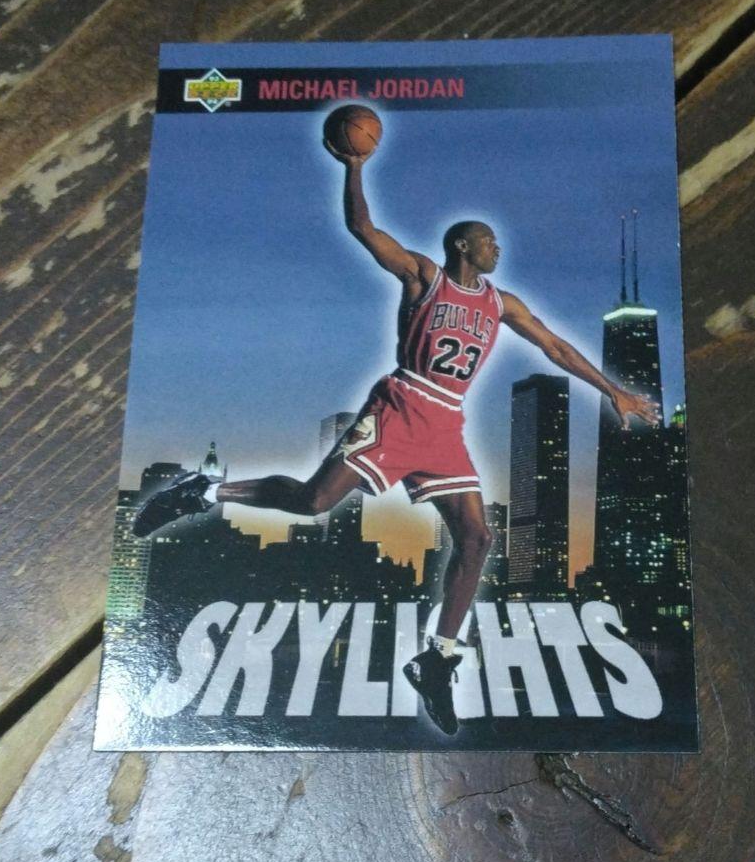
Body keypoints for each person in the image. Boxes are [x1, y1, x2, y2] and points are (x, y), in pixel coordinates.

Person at [133, 138, 659, 735]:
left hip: (446, 423)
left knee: (477, 537)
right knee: (314, 501)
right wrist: (355, 167)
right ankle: (204, 491)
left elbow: (556, 347)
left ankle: (437, 659)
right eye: (489, 241)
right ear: (463, 246)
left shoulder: (502, 302)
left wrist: (611, 390)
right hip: (402, 406)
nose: (498, 247)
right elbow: (362, 228)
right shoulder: (423, 277)